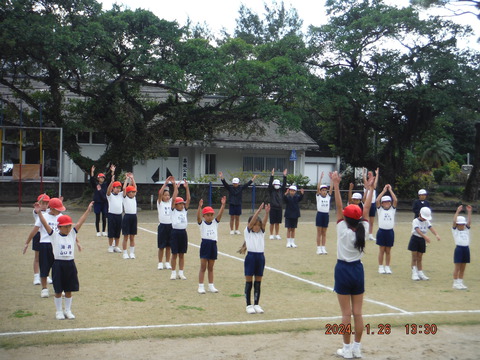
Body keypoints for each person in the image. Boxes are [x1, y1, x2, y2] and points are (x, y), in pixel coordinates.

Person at [331, 170, 375, 359]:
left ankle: (347, 349)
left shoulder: (342, 227)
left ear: (345, 217)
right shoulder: (363, 229)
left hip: (343, 269)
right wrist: (370, 190)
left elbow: (339, 206)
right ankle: (357, 347)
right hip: (358, 269)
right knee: (358, 313)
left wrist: (335, 184)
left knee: (345, 314)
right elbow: (365, 210)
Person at [34, 200, 93, 320]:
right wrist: (40, 213)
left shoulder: (72, 234)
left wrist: (88, 210)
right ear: (59, 227)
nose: (68, 228)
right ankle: (59, 311)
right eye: (66, 226)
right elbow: (45, 224)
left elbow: (81, 222)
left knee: (69, 290)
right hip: (58, 265)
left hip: (70, 264)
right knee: (58, 290)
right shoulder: (54, 235)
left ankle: (68, 310)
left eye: (69, 226)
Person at [238, 202, 270, 314]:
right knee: (249, 282)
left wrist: (266, 213)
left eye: (258, 225)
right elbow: (252, 222)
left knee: (258, 282)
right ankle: (248, 305)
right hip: (251, 257)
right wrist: (258, 211)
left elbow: (265, 222)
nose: (256, 226)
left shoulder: (261, 233)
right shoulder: (247, 233)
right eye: (255, 225)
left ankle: (256, 304)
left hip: (260, 257)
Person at [31, 197, 65, 298]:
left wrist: (76, 241)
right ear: (52, 208)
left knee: (58, 268)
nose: (59, 211)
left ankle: (57, 288)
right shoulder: (43, 216)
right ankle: (44, 288)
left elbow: (67, 230)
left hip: (57, 245)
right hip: (45, 244)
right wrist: (27, 242)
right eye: (57, 209)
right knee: (44, 267)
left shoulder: (61, 216)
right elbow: (35, 229)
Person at [196, 196, 226, 294]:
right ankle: (201, 286)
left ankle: (211, 285)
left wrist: (223, 205)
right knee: (203, 266)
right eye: (207, 215)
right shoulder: (202, 224)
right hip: (205, 245)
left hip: (213, 245)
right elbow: (198, 217)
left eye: (211, 215)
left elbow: (220, 215)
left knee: (211, 267)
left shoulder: (215, 223)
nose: (210, 217)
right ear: (204, 216)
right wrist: (199, 207)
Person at [23, 194, 52, 286]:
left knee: (47, 258)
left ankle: (46, 275)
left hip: (47, 236)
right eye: (43, 203)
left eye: (46, 203)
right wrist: (39, 203)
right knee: (37, 257)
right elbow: (36, 210)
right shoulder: (36, 211)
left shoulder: (49, 211)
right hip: (38, 235)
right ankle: (36, 276)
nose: (44, 205)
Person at [408, 207, 441, 281]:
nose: (425, 219)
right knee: (414, 257)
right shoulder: (415, 221)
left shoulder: (427, 221)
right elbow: (417, 230)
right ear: (420, 214)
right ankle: (414, 272)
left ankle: (420, 272)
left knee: (420, 257)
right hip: (415, 239)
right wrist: (425, 237)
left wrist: (436, 234)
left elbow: (431, 228)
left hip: (422, 240)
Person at [170, 178, 191, 280]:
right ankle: (173, 272)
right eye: (180, 204)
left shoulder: (184, 210)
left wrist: (187, 188)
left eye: (183, 203)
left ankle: (181, 272)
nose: (182, 205)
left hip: (183, 232)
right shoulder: (173, 210)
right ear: (176, 205)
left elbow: (189, 199)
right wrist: (175, 188)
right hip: (175, 233)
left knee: (182, 254)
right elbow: (173, 199)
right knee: (174, 254)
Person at [375, 184, 398, 274]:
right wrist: (384, 191)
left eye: (388, 202)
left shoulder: (392, 209)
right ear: (382, 203)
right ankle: (380, 266)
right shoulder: (380, 210)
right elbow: (377, 200)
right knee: (381, 250)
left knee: (388, 250)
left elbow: (395, 200)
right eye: (385, 202)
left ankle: (387, 266)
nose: (387, 203)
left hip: (390, 232)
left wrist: (390, 190)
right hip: (381, 231)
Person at [452, 205, 472, 290]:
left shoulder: (466, 229)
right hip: (459, 249)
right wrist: (457, 211)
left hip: (466, 248)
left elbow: (469, 222)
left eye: (463, 224)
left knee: (463, 266)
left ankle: (460, 282)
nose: (462, 225)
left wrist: (469, 212)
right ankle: (455, 283)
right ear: (457, 224)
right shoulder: (455, 230)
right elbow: (454, 221)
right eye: (460, 224)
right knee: (457, 267)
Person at [90, 164, 113, 237]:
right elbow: (92, 180)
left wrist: (112, 172)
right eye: (100, 177)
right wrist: (92, 172)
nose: (102, 178)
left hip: (104, 202)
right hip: (97, 202)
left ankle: (103, 231)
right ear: (98, 178)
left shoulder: (106, 184)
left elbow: (110, 180)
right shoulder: (96, 185)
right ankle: (98, 231)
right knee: (97, 217)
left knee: (104, 217)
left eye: (103, 177)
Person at [157, 176, 174, 270]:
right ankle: (160, 262)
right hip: (162, 226)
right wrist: (165, 183)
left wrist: (174, 185)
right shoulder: (160, 203)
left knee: (169, 246)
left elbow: (175, 194)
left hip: (170, 226)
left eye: (168, 195)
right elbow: (160, 193)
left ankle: (167, 262)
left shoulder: (170, 202)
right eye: (165, 195)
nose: (167, 196)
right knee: (161, 246)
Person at [106, 165, 123, 254]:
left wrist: (128, 179)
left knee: (117, 231)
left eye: (119, 188)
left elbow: (126, 189)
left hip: (119, 215)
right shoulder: (110, 195)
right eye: (116, 187)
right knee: (111, 231)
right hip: (111, 215)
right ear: (113, 188)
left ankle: (116, 246)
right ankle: (110, 246)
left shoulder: (121, 195)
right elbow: (108, 191)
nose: (118, 189)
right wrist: (112, 182)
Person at [315, 172, 333, 255]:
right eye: (323, 190)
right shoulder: (318, 196)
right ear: (320, 191)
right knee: (319, 232)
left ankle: (323, 248)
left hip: (326, 215)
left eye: (325, 190)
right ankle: (318, 248)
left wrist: (331, 179)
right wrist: (321, 178)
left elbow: (331, 189)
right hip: (320, 214)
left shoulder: (328, 197)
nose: (324, 191)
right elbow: (318, 188)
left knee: (324, 232)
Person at [268, 168, 287, 240]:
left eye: (278, 184)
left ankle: (277, 234)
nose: (277, 185)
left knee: (277, 223)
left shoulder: (281, 191)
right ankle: (271, 234)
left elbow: (284, 184)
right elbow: (269, 184)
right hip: (272, 208)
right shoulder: (271, 190)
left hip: (279, 208)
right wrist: (272, 175)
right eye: (275, 184)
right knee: (272, 222)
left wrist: (284, 176)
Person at [122, 172, 137, 259]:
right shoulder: (125, 197)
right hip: (127, 217)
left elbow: (135, 186)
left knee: (132, 236)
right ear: (128, 193)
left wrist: (132, 178)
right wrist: (127, 179)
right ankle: (125, 252)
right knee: (126, 236)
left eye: (134, 192)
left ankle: (132, 252)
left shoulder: (134, 197)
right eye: (131, 192)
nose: (133, 193)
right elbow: (124, 188)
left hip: (134, 217)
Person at [363, 168, 379, 241]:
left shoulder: (374, 186)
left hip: (372, 204)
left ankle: (370, 235)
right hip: (366, 205)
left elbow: (375, 181)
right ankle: (364, 234)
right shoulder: (366, 185)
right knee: (364, 220)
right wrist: (363, 173)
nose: (369, 175)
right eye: (368, 174)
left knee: (371, 221)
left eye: (371, 174)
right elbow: (364, 180)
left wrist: (377, 174)